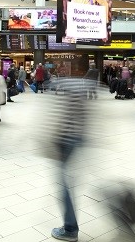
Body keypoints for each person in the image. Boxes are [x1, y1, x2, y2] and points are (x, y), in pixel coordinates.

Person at [49, 77, 90, 241]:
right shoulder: (81, 87)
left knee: (63, 183)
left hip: (68, 140)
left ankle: (70, 229)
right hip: (76, 138)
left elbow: (63, 118)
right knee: (65, 181)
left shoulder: (66, 88)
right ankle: (70, 226)